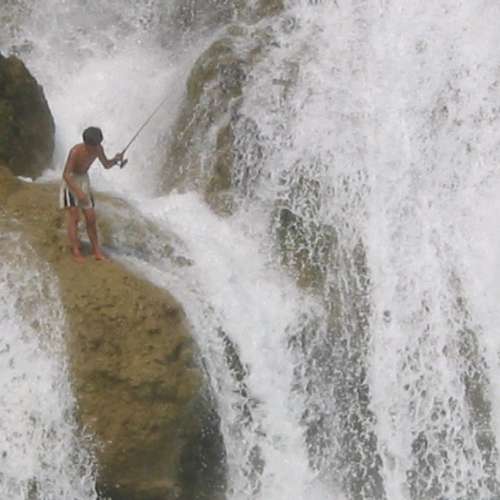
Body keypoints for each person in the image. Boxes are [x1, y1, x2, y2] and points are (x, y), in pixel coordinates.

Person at [59, 126, 123, 262]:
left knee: (91, 218)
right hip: (72, 181)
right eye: (94, 146)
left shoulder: (98, 148)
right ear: (86, 144)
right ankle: (76, 251)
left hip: (84, 180)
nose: (96, 148)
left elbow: (106, 164)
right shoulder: (75, 151)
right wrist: (78, 192)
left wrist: (116, 160)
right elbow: (66, 174)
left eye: (98, 144)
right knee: (74, 217)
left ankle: (96, 250)